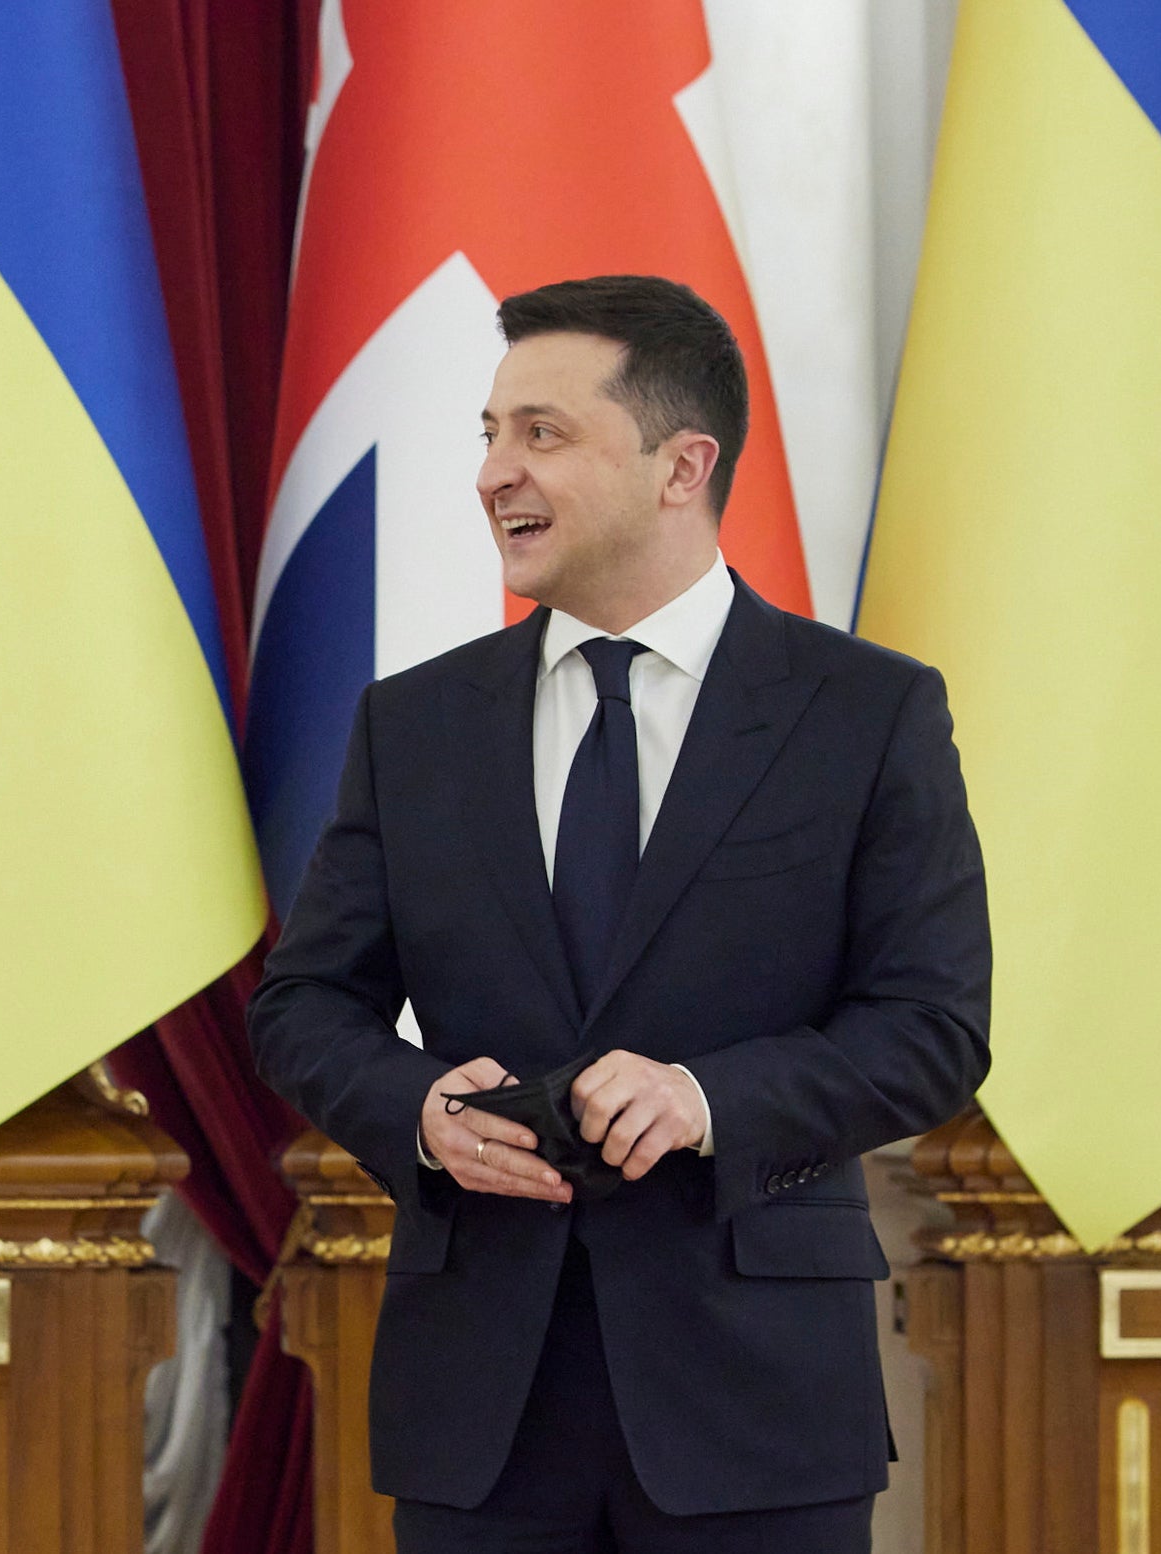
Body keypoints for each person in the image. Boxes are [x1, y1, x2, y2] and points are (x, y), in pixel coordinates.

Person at [249, 275, 988, 1553]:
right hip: (479, 1407)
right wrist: (415, 1111)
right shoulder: (412, 726)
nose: (493, 472)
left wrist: (710, 1099)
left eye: (541, 432)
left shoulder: (866, 714)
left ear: (680, 465)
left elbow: (932, 1025)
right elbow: (306, 1004)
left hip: (754, 1402)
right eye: (488, 434)